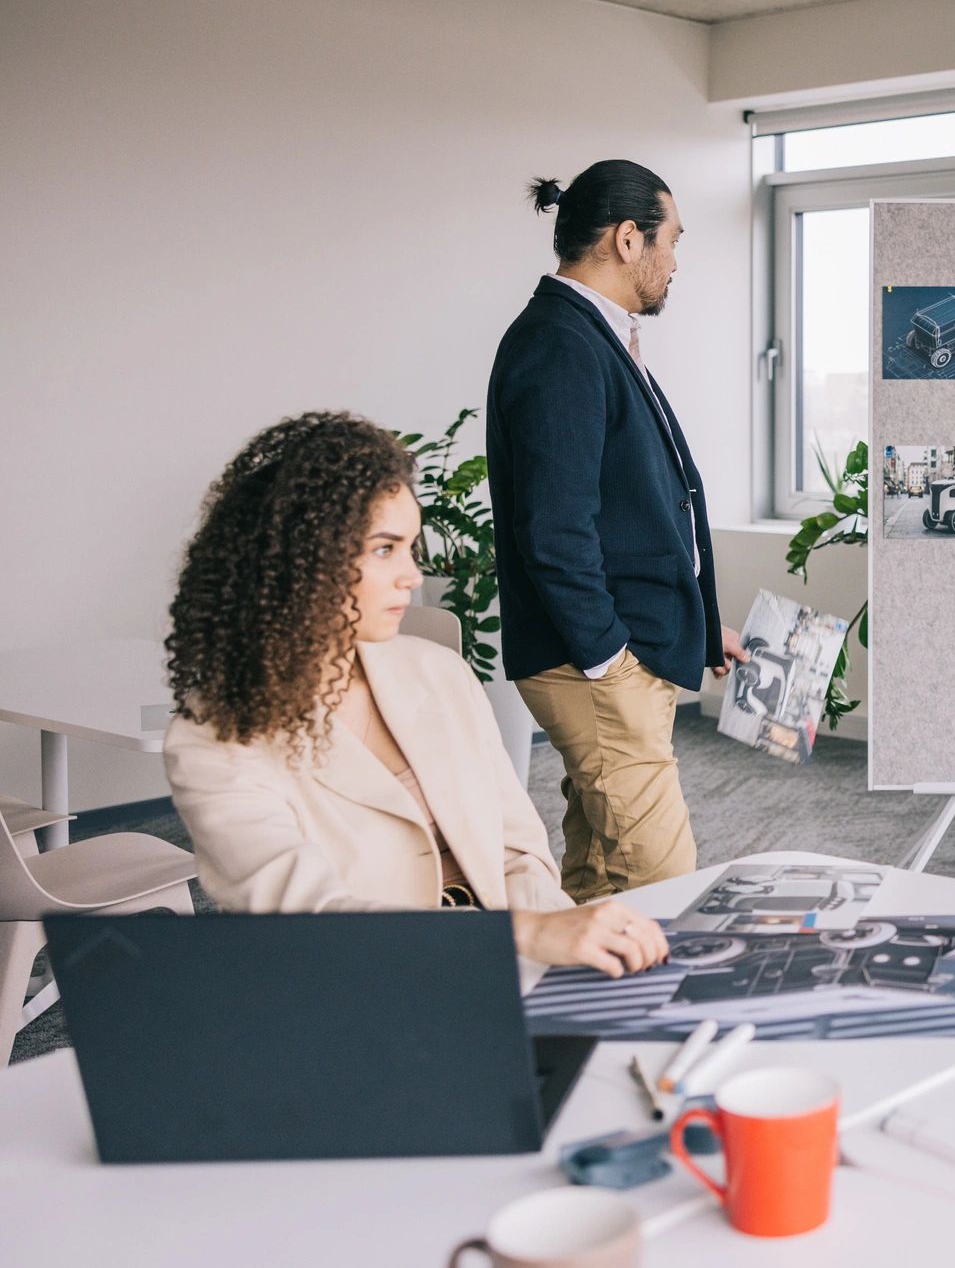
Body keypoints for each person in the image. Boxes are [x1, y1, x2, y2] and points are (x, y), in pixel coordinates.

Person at [163, 413, 669, 978]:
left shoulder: (439, 673)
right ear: (296, 556)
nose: (412, 574)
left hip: (511, 968)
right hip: (368, 994)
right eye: (385, 549)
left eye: (410, 546)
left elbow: (517, 854)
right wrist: (526, 935)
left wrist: (565, 962)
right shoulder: (214, 741)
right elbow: (310, 920)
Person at [490, 161, 745, 902]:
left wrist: (699, 623)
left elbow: (639, 510)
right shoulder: (560, 345)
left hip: (616, 655)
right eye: (673, 240)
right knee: (663, 888)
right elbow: (555, 531)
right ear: (628, 239)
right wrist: (610, 663)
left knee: (600, 877)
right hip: (595, 667)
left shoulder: (590, 336)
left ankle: (574, 1014)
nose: (676, 261)